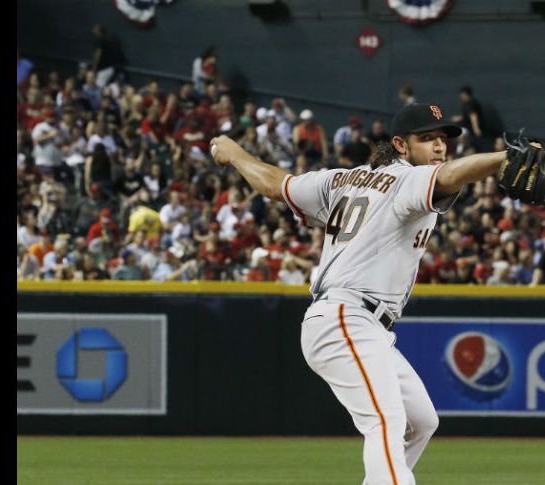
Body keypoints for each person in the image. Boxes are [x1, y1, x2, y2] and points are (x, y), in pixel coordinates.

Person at [209, 102, 514, 485]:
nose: (439, 147)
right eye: (427, 139)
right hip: (345, 318)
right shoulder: (408, 180)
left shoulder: (341, 179)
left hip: (360, 325)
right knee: (386, 422)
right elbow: (451, 175)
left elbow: (275, 183)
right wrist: (504, 158)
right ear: (401, 146)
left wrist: (235, 154)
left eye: (443, 139)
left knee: (420, 422)